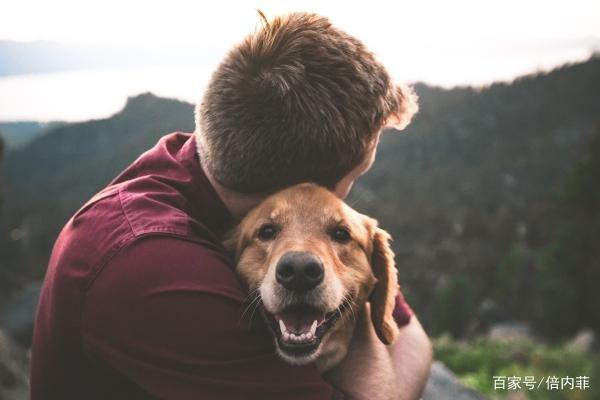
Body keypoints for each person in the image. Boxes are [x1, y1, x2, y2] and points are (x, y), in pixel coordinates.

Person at [30, 12, 432, 400]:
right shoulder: (154, 271)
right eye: (354, 178)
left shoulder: (208, 164)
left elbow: (409, 333)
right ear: (303, 187)